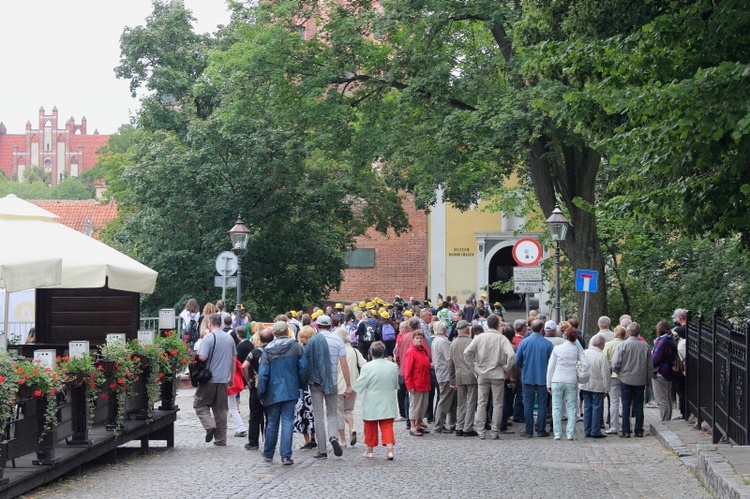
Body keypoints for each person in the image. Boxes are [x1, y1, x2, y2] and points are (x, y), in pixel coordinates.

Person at [304, 315, 354, 458]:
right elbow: (344, 365)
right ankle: (333, 436)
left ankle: (322, 449)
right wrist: (348, 384)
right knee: (332, 413)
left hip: (316, 382)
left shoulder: (312, 341)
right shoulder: (338, 341)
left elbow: (306, 363)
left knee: (318, 415)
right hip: (332, 381)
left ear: (317, 326)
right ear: (331, 326)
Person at [257, 321, 306, 465]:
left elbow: (263, 374)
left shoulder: (268, 350)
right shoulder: (296, 347)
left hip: (273, 391)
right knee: (287, 422)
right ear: (287, 332)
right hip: (291, 389)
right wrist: (301, 385)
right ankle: (285, 455)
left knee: (272, 422)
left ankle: (268, 453)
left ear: (274, 334)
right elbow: (303, 369)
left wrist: (261, 392)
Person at [463, 314, 516, 440]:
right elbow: (512, 355)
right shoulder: (502, 339)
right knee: (497, 404)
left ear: (487, 324)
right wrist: (506, 368)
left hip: (482, 373)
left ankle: (481, 431)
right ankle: (494, 431)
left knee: (481, 403)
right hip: (497, 373)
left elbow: (466, 353)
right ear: (498, 325)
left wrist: (474, 367)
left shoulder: (480, 337)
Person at [194, 313, 237, 446]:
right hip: (223, 379)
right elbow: (233, 359)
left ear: (210, 323)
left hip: (209, 379)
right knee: (221, 409)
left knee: (200, 405)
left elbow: (202, 357)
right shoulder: (230, 338)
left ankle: (210, 426)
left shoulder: (209, 338)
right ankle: (221, 439)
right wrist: (232, 377)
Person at [352, 341, 399, 460]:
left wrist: (350, 390)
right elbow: (395, 384)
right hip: (387, 398)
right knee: (387, 425)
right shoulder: (392, 366)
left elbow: (360, 384)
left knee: (370, 425)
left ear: (371, 353)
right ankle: (390, 451)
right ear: (383, 352)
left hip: (372, 400)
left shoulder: (367, 367)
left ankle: (370, 450)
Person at [547, 327, 589, 440]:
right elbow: (586, 364)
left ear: (564, 335)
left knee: (556, 407)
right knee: (571, 407)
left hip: (557, 379)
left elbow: (551, 367)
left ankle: (557, 433)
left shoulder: (557, 348)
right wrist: (578, 368)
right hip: (571, 380)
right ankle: (570, 433)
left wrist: (548, 383)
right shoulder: (577, 350)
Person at [611, 322, 653, 438]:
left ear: (628, 332)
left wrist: (619, 372)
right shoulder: (645, 346)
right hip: (640, 379)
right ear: (638, 332)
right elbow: (650, 366)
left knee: (626, 405)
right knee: (639, 405)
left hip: (625, 379)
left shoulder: (622, 346)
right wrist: (648, 380)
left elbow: (615, 363)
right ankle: (639, 430)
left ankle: (625, 430)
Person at [515, 319, 553, 438]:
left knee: (528, 405)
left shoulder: (524, 342)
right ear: (542, 329)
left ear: (531, 328)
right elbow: (551, 362)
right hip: (543, 377)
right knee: (542, 405)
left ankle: (528, 430)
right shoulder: (547, 344)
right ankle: (541, 430)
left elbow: (517, 360)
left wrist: (524, 367)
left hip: (527, 376)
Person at [335, 327, 366, 447]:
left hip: (339, 385)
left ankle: (342, 440)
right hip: (353, 386)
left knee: (338, 412)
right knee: (348, 410)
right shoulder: (354, 351)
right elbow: (364, 365)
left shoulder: (336, 350)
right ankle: (352, 428)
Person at [241, 327, 271, 451]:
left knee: (254, 415)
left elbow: (244, 366)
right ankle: (269, 441)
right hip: (270, 387)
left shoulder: (254, 352)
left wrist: (248, 379)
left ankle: (253, 442)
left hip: (255, 386)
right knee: (270, 417)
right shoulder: (273, 352)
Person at [448, 320, 478, 437]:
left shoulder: (453, 343)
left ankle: (459, 426)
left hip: (459, 375)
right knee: (471, 402)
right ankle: (468, 427)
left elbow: (450, 362)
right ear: (467, 329)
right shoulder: (471, 342)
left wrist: (452, 379)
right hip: (470, 375)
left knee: (461, 403)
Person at [580, 334, 610, 438]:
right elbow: (606, 374)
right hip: (598, 385)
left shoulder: (584, 353)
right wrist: (607, 388)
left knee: (587, 407)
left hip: (585, 383)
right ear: (601, 345)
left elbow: (579, 368)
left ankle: (587, 429)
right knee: (597, 407)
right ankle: (595, 430)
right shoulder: (601, 356)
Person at [404, 330, 432, 436]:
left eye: (421, 338)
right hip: (416, 383)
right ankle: (413, 426)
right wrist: (409, 384)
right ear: (413, 340)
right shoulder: (411, 352)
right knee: (415, 406)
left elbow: (424, 364)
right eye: (417, 338)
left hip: (425, 382)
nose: (419, 340)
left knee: (423, 406)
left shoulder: (423, 350)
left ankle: (419, 424)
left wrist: (430, 365)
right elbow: (408, 370)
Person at [295, 326, 317, 450]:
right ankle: (313, 437)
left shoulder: (300, 350)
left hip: (302, 385)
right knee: (312, 412)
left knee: (302, 413)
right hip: (313, 384)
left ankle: (307, 440)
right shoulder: (315, 350)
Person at [432, 322, 456, 433]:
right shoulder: (442, 342)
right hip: (446, 374)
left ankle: (452, 422)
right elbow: (449, 359)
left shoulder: (436, 340)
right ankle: (439, 424)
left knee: (450, 399)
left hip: (442, 373)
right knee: (445, 399)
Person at [652, 319, 678, 422]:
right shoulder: (671, 339)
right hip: (668, 372)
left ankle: (665, 421)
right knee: (667, 398)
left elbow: (656, 358)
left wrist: (650, 365)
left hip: (660, 372)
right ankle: (667, 419)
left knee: (662, 399)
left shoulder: (663, 341)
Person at [603, 325, 627, 434]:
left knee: (614, 402)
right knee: (626, 402)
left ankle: (614, 426)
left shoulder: (608, 345)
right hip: (625, 375)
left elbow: (603, 360)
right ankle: (627, 425)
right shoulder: (626, 345)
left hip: (612, 375)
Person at [672, 309, 688, 419]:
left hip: (680, 365)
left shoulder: (677, 331)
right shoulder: (694, 329)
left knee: (681, 390)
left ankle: (684, 412)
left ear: (679, 318)